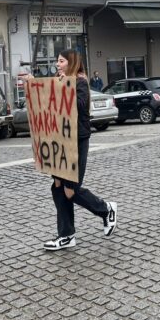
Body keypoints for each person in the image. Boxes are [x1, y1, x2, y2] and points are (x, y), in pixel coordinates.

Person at [31, 49, 117, 251]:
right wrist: (33, 82)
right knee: (58, 186)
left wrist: (65, 86)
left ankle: (106, 209)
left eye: (61, 61)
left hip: (76, 140)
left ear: (71, 63)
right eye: (57, 61)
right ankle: (66, 235)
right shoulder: (59, 80)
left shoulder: (80, 82)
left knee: (70, 190)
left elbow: (78, 105)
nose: (57, 64)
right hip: (60, 140)